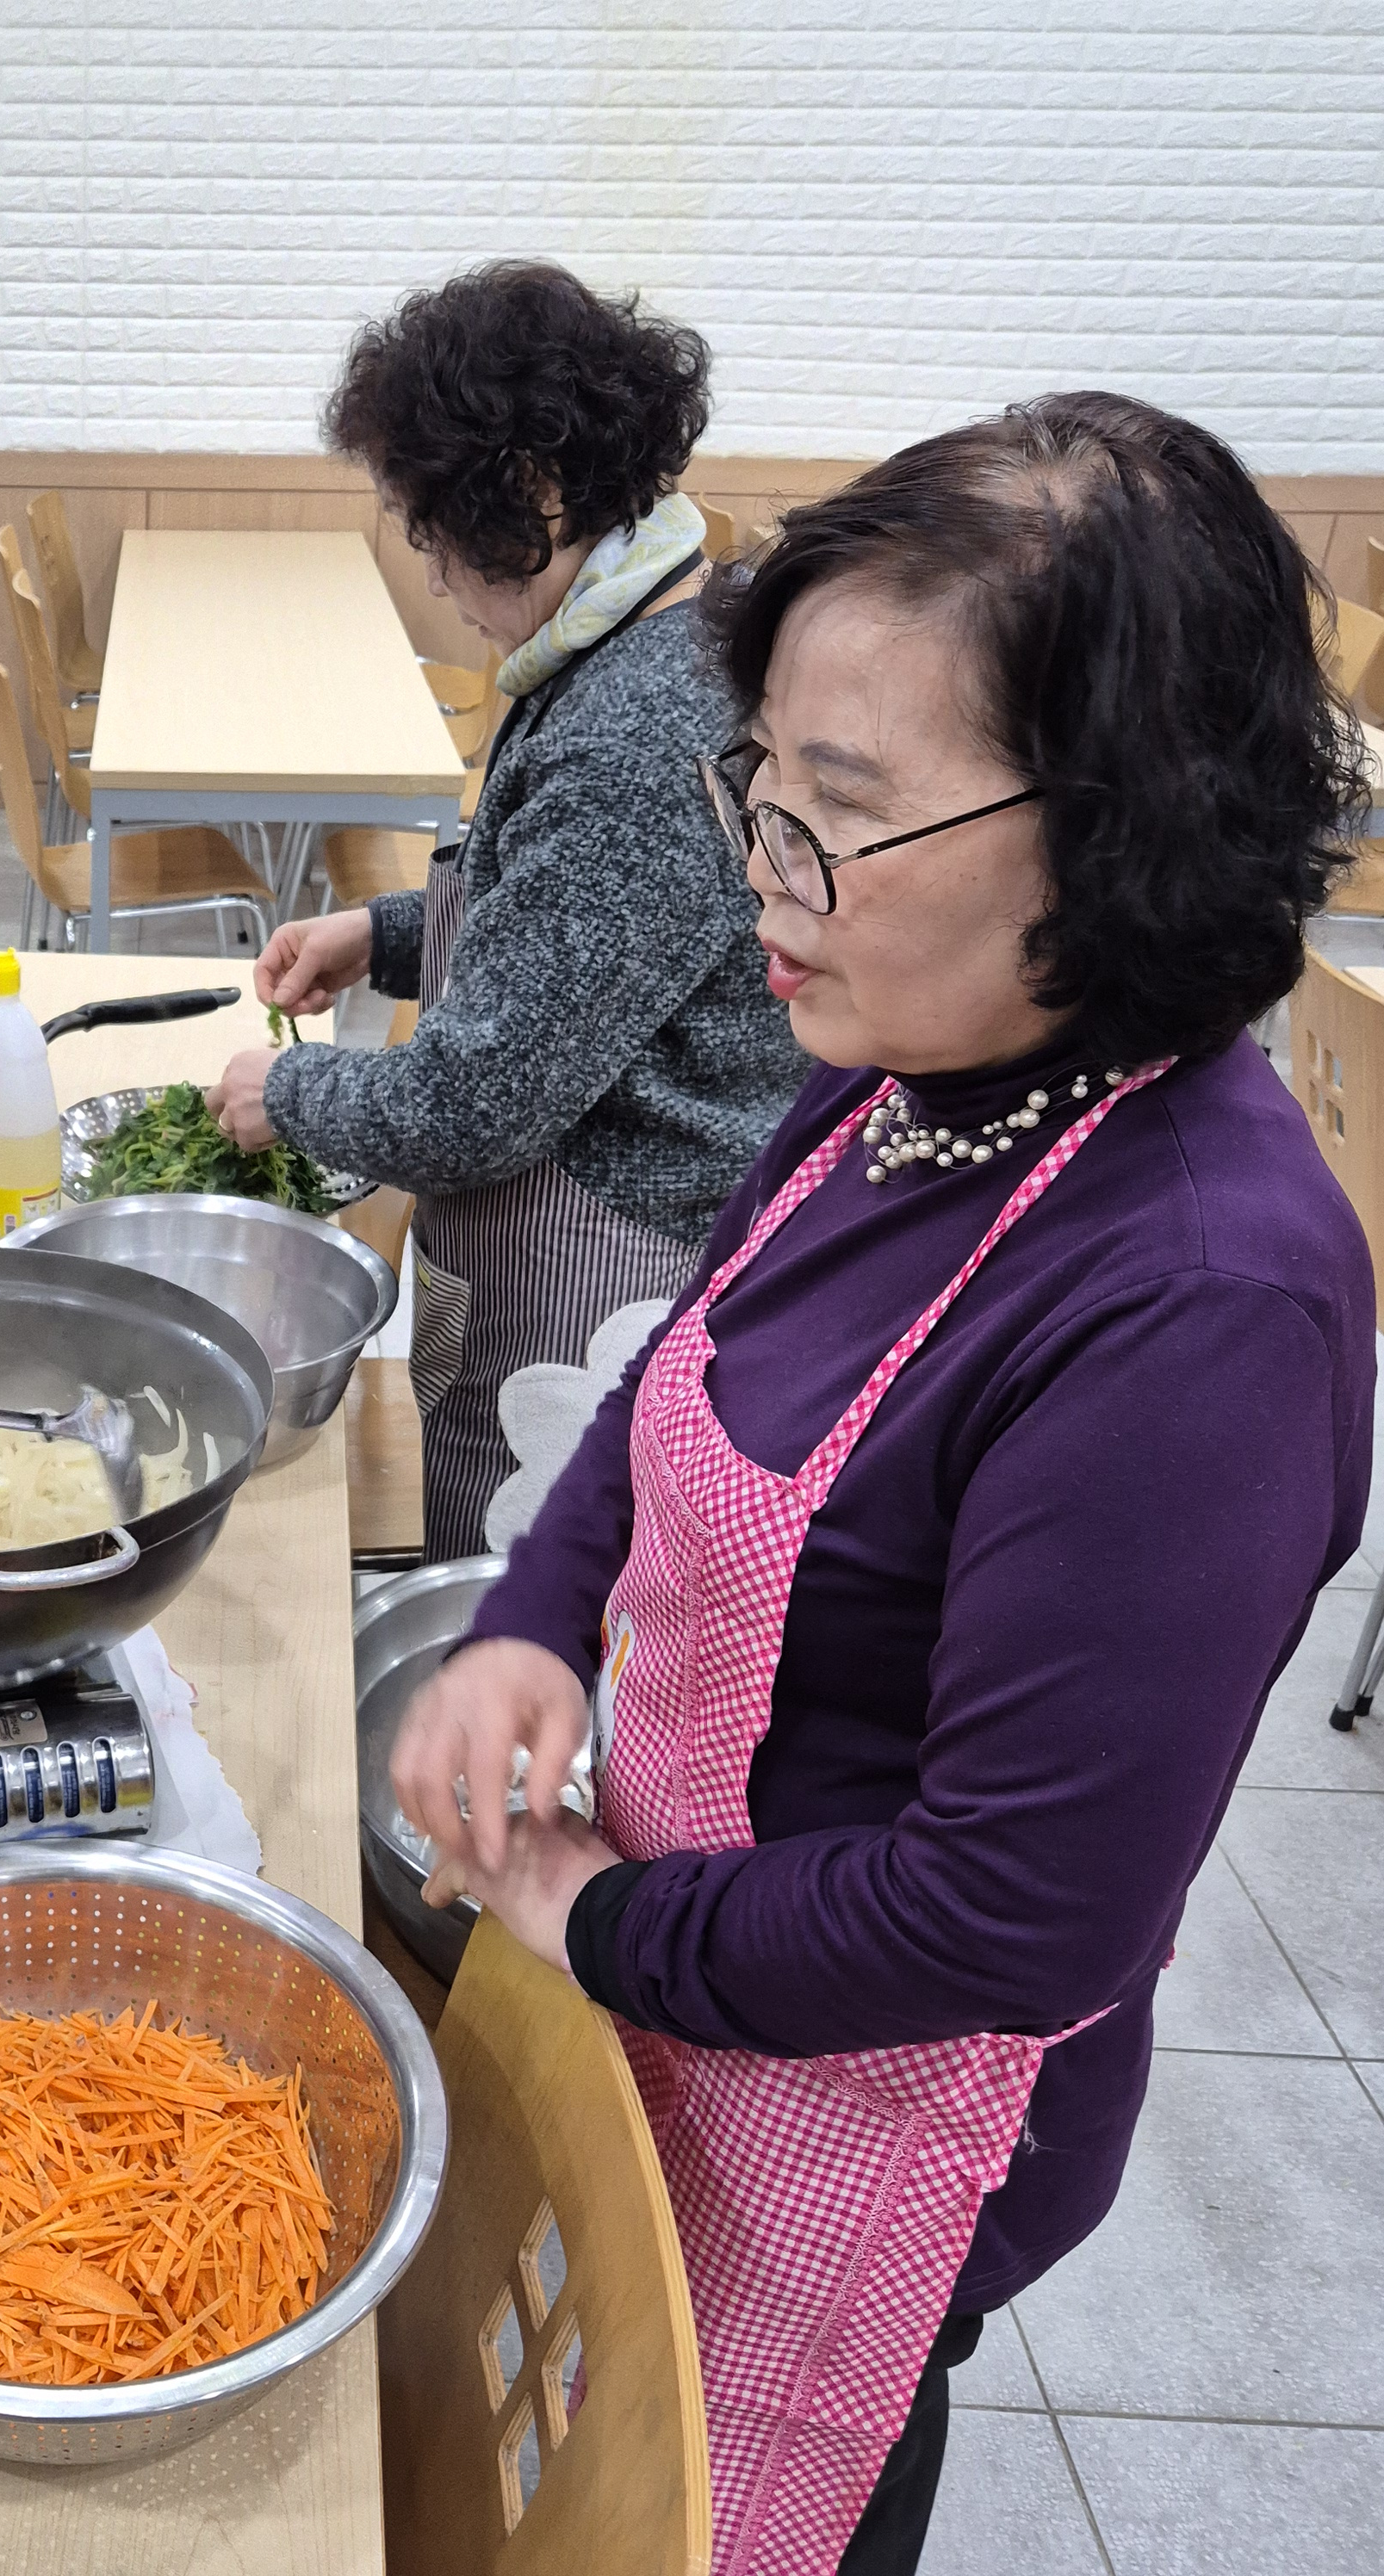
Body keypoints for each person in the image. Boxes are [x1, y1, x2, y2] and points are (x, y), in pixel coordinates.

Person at [392, 393, 1374, 2575]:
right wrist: (533, 1619)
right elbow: (684, 1362)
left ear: (1114, 830)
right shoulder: (907, 1058)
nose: (764, 867)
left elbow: (1006, 1912)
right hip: (684, 1970)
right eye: (757, 781)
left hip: (874, 2104)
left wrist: (595, 1917)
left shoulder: (1193, 1306)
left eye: (838, 811)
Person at [206, 261, 804, 1558]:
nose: (432, 574)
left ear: (526, 493)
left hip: (608, 1276)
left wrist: (285, 1093)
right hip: (586, 1233)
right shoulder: (640, 625)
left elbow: (476, 1105)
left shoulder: (633, 728)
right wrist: (385, 934)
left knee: (531, 1610)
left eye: (431, 529)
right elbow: (574, 923)